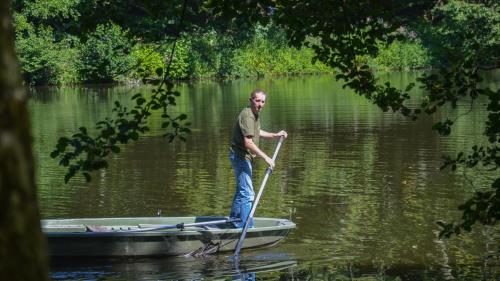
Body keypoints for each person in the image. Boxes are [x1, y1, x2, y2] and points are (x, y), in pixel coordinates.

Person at [229, 89, 288, 228]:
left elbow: (256, 132)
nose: (260, 104)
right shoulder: (248, 116)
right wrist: (266, 158)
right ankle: (246, 227)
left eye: (263, 101)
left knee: (241, 191)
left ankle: (234, 221)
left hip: (243, 157)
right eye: (257, 101)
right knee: (248, 194)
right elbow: (248, 142)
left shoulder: (254, 114)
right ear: (251, 100)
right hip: (240, 157)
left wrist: (274, 135)